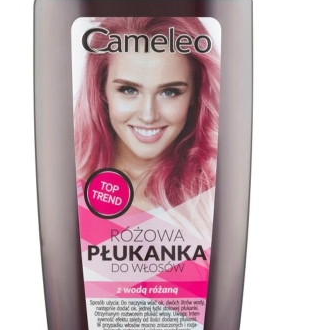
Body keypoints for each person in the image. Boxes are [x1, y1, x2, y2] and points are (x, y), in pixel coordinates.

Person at [75, 17, 220, 231]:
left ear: (196, 94)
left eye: (169, 92)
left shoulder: (214, 193)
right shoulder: (67, 185)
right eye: (129, 90)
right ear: (101, 89)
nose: (148, 115)